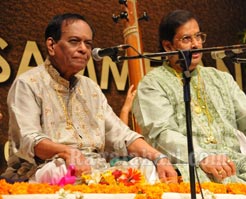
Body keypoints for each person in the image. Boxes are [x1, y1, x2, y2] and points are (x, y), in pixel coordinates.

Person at [1, 13, 178, 184]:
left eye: (88, 43)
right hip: (45, 168)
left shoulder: (90, 88)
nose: (84, 49)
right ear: (51, 45)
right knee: (59, 170)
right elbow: (28, 139)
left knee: (146, 166)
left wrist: (159, 157)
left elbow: (121, 135)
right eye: (74, 41)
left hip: (95, 170)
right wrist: (66, 152)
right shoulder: (28, 83)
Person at [132, 9, 246, 185]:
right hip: (192, 166)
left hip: (235, 165)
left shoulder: (221, 79)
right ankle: (239, 188)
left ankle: (238, 187)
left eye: (198, 36)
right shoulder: (153, 83)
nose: (196, 44)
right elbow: (162, 135)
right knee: (183, 175)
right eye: (186, 39)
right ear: (168, 46)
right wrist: (203, 157)